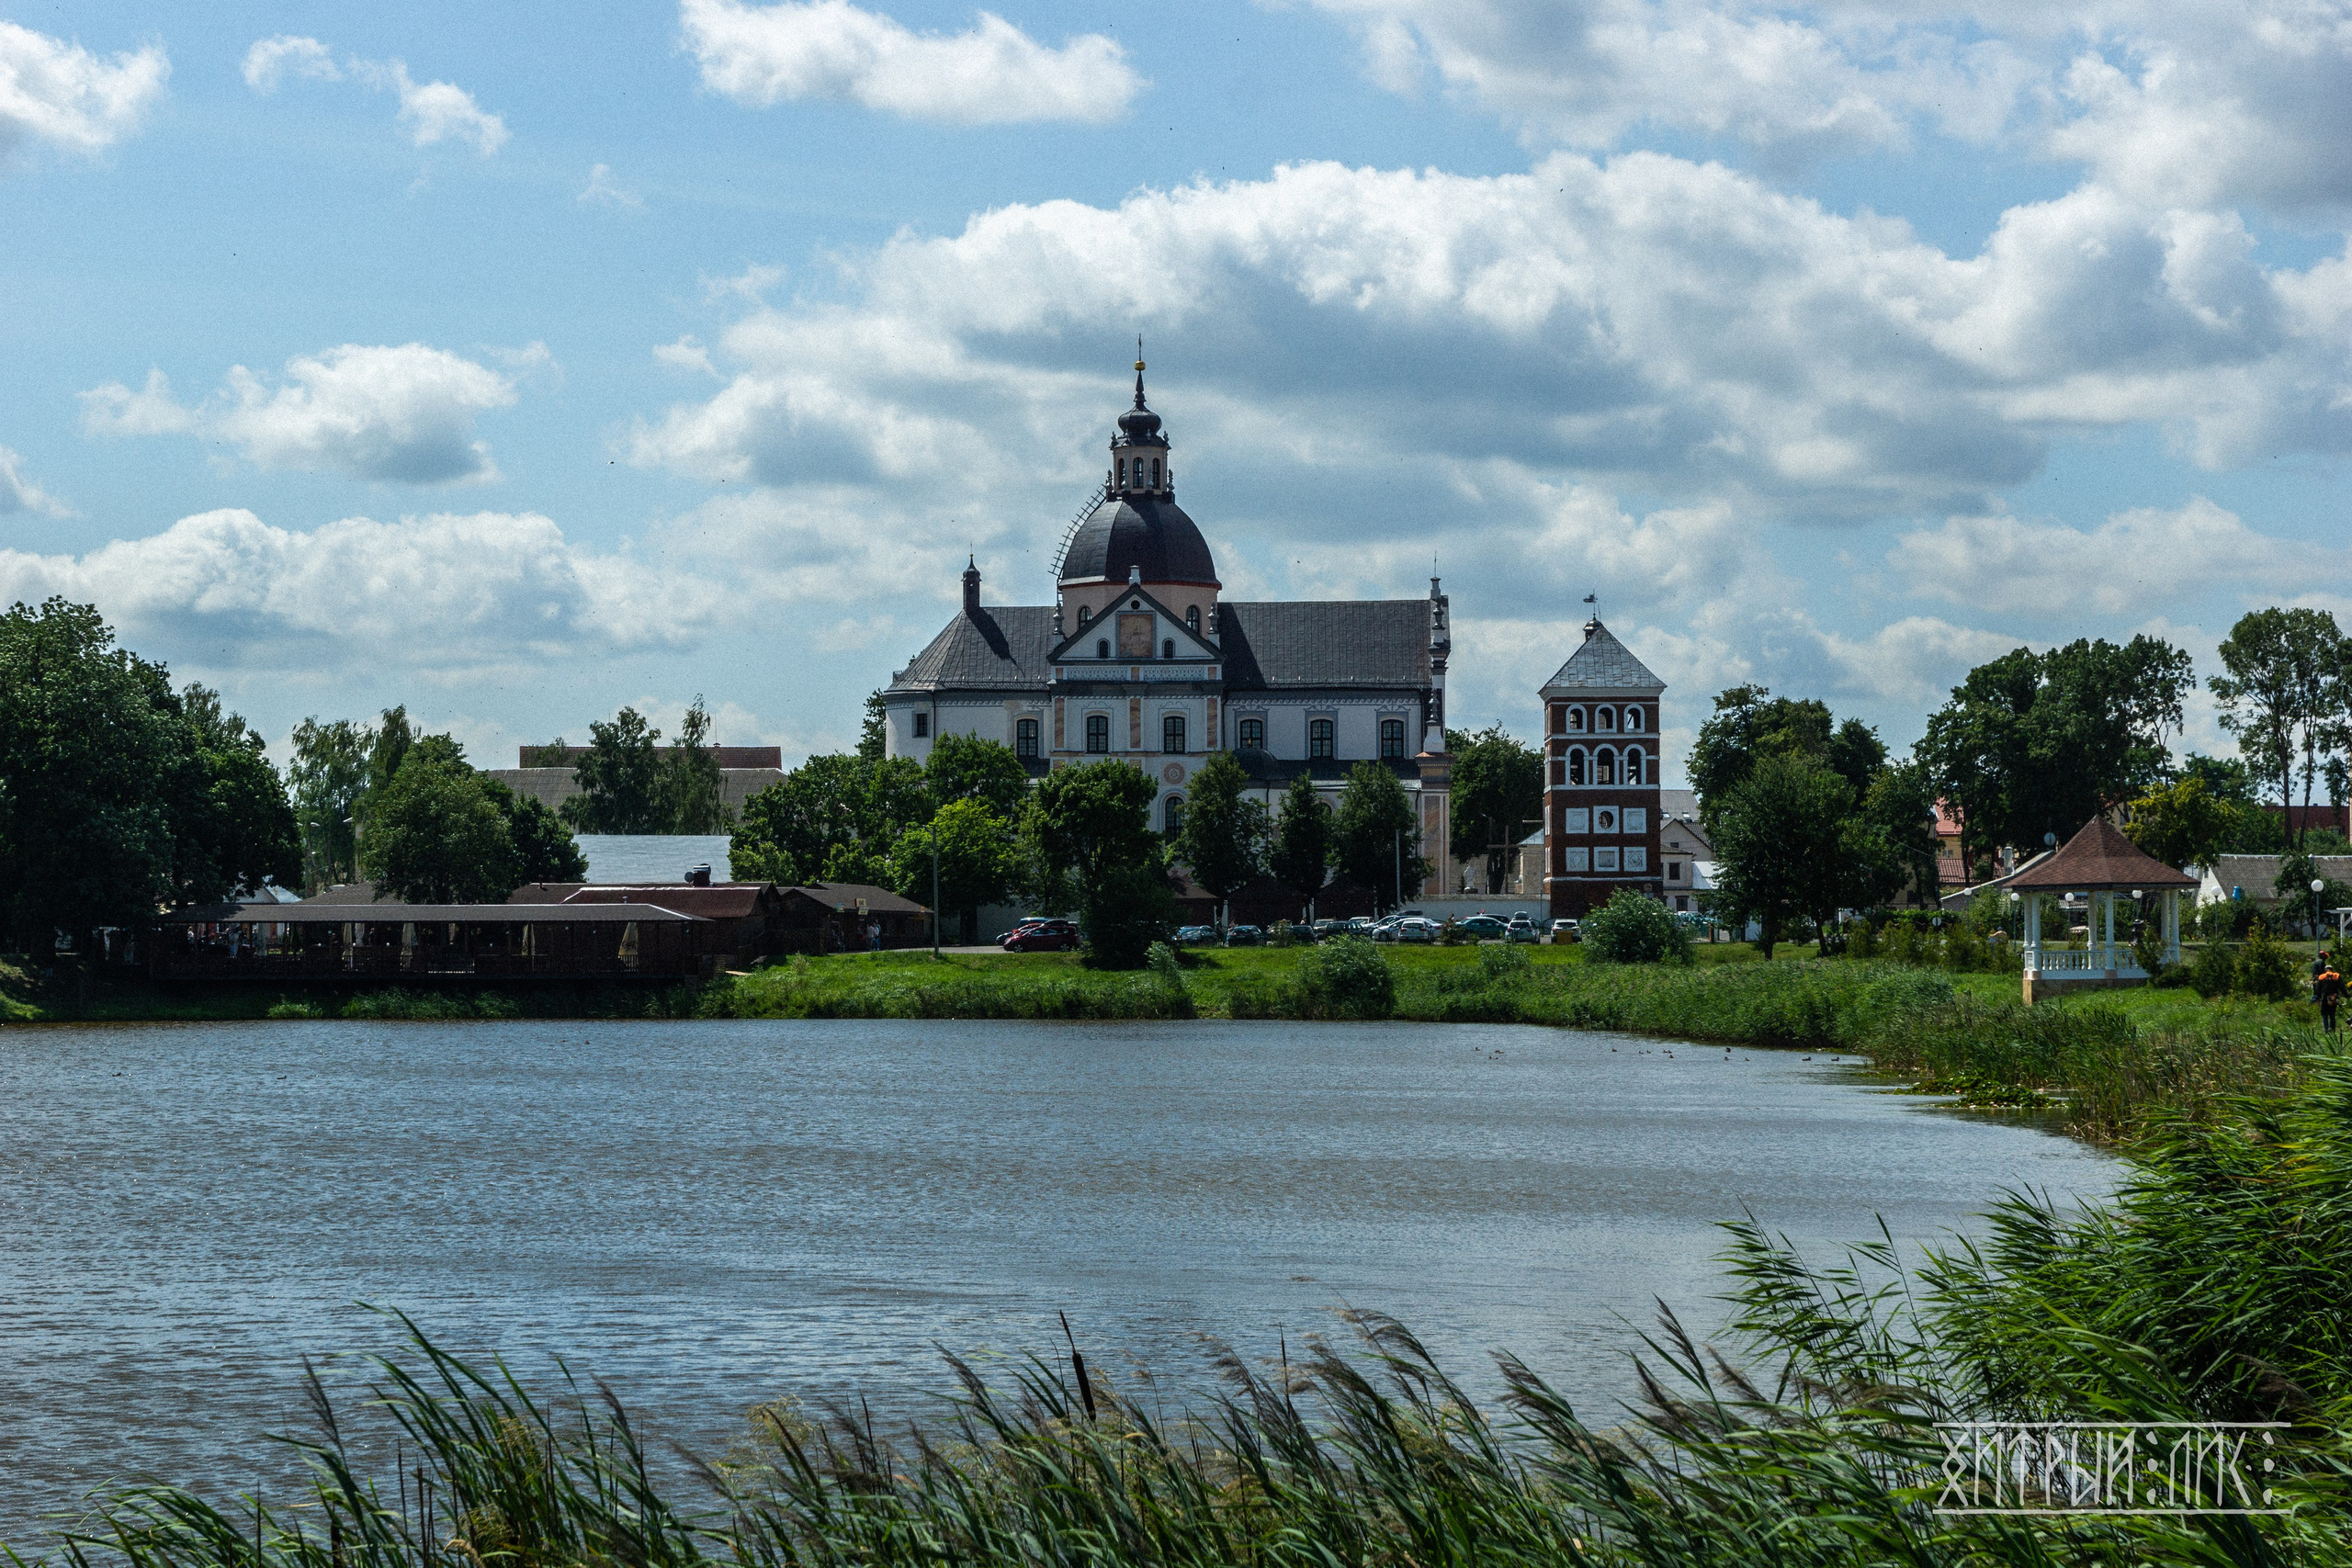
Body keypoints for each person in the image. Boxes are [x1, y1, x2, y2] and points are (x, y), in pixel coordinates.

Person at [2316, 952, 2343, 1035]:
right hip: (2333, 998)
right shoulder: (2336, 976)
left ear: (2325, 970)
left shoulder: (2321, 977)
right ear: (2332, 970)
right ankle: (2333, 1029)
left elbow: (2318, 989)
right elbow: (2342, 987)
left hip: (2324, 998)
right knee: (2332, 1014)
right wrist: (2347, 995)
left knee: (2324, 1014)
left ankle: (2326, 1029)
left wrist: (2318, 997)